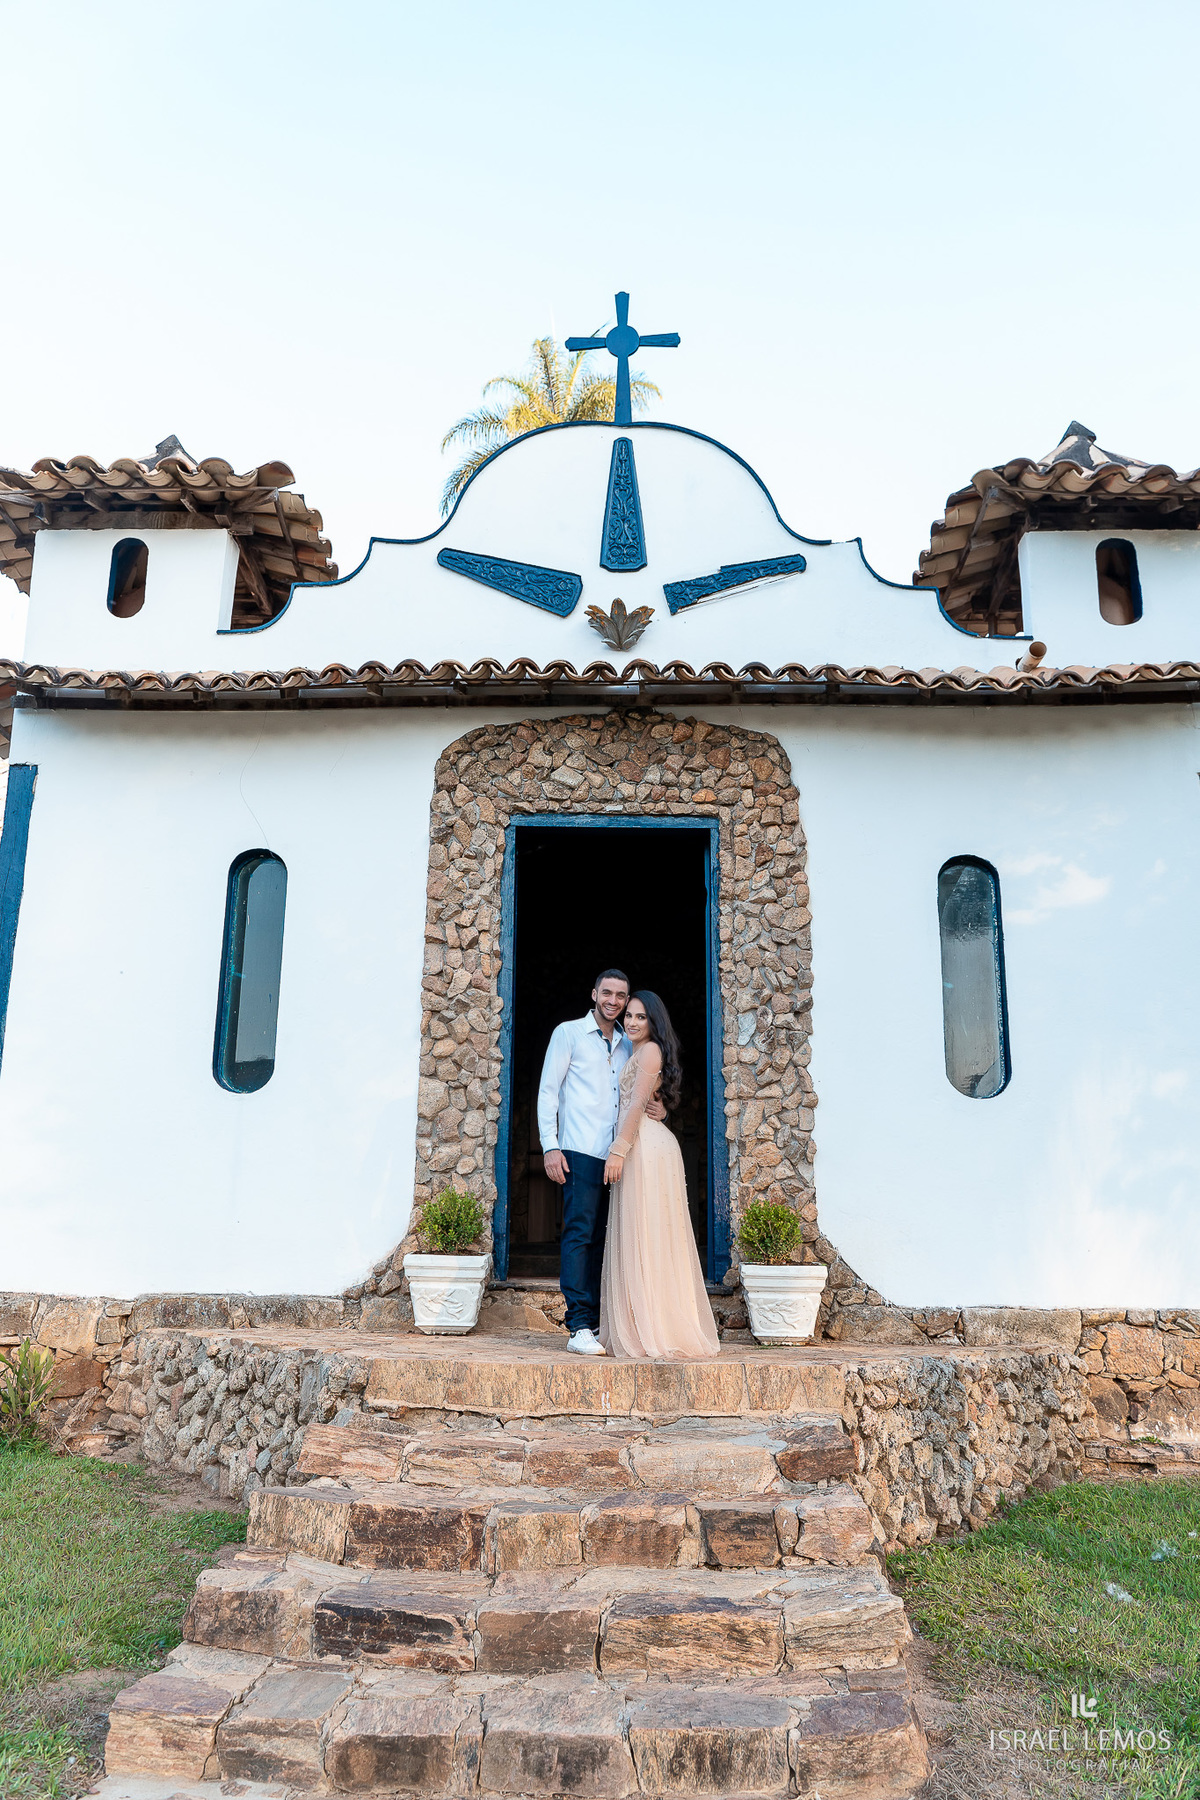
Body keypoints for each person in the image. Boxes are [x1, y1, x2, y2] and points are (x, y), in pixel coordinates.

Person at [538, 970, 666, 1356]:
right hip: (579, 1149)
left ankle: (597, 1323)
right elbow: (548, 1091)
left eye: (621, 996)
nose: (614, 1000)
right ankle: (578, 1325)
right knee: (579, 1234)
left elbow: (637, 1093)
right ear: (594, 993)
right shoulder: (568, 1034)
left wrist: (657, 1109)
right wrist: (550, 1145)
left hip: (620, 1157)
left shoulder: (631, 1043)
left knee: (604, 1240)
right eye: (607, 993)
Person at [599, 991, 719, 1360]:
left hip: (644, 1149)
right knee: (644, 1234)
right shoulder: (638, 1051)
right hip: (644, 1143)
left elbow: (636, 1103)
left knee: (648, 1235)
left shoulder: (649, 1050)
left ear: (654, 1022)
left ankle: (656, 1329)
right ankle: (645, 1323)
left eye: (641, 1017)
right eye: (629, 1016)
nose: (633, 1023)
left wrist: (618, 1149)